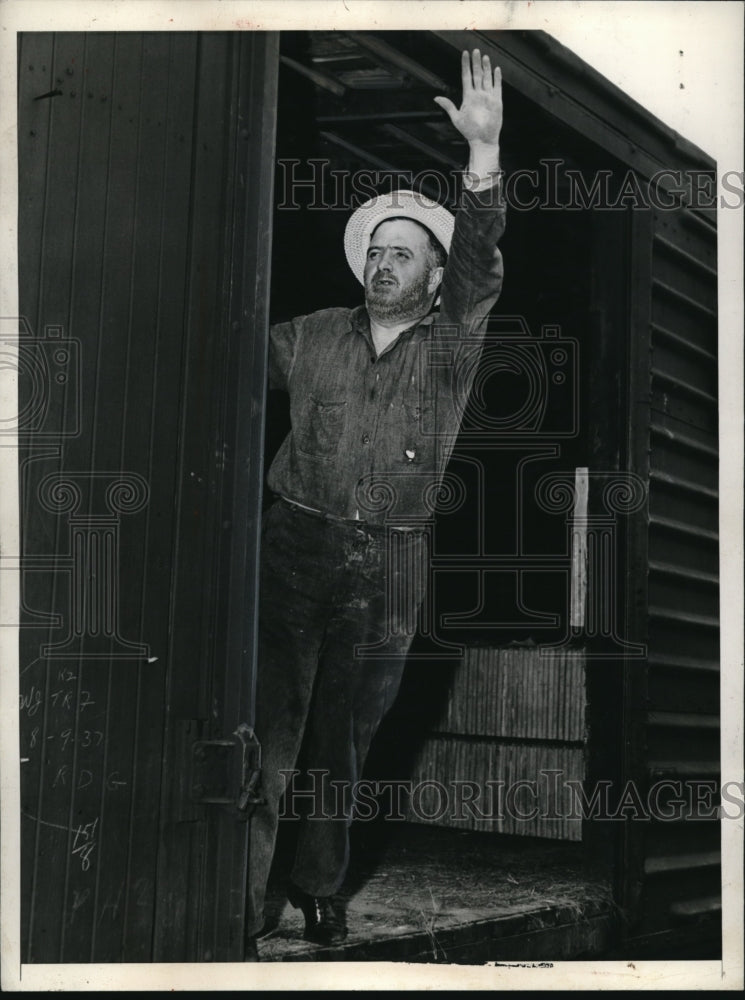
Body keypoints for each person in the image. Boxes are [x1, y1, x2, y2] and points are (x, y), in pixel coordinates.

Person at [247, 48, 506, 957]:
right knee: (266, 731)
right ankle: (248, 894)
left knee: (341, 743)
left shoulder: (452, 344)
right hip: (294, 546)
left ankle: (319, 889)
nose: (385, 266)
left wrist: (480, 158)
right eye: (378, 254)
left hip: (390, 561)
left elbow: (482, 266)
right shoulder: (310, 336)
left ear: (434, 278)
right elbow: (216, 342)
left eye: (405, 256)